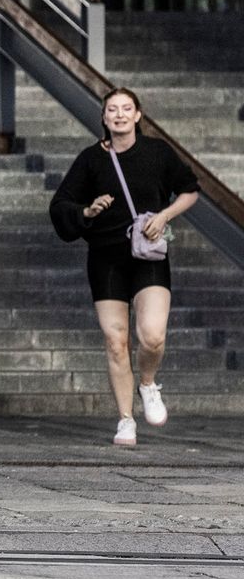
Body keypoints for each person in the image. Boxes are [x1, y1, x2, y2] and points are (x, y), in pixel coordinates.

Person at [49, 88, 199, 447]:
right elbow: (61, 204)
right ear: (103, 118)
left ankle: (148, 383)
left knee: (152, 335)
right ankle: (125, 419)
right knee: (116, 341)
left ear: (138, 115)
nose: (118, 115)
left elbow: (190, 190)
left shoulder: (158, 153)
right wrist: (87, 211)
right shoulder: (90, 159)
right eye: (112, 109)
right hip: (106, 257)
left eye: (126, 109)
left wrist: (163, 216)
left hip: (148, 256)